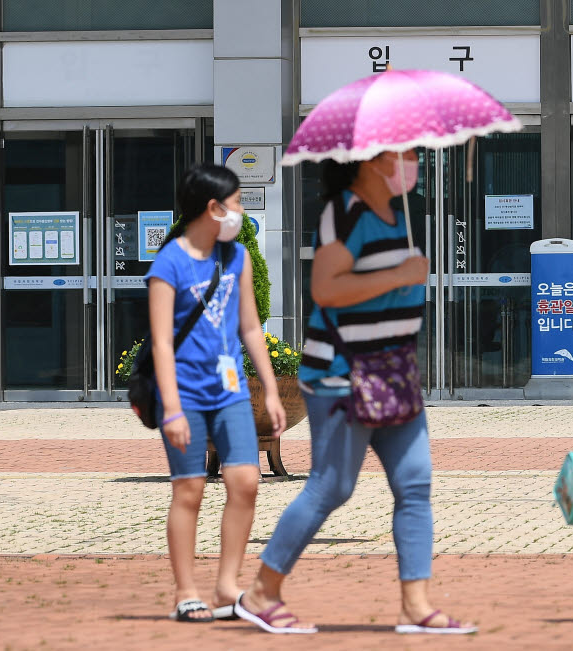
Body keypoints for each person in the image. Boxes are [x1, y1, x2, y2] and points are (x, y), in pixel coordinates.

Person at [235, 149, 477, 635]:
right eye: (403, 154)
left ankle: (416, 604)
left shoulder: (397, 216)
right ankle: (261, 590)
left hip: (393, 373)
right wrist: (400, 275)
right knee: (332, 486)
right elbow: (326, 287)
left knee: (415, 485)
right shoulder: (347, 212)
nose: (411, 162)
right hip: (344, 374)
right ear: (372, 160)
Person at [146, 163, 285, 622]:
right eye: (238, 202)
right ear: (212, 207)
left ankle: (227, 586)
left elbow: (249, 326)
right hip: (184, 395)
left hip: (229, 393)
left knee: (245, 482)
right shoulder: (170, 263)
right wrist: (172, 409)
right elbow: (162, 341)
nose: (241, 212)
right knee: (188, 490)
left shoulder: (237, 259)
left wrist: (269, 389)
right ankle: (186, 591)